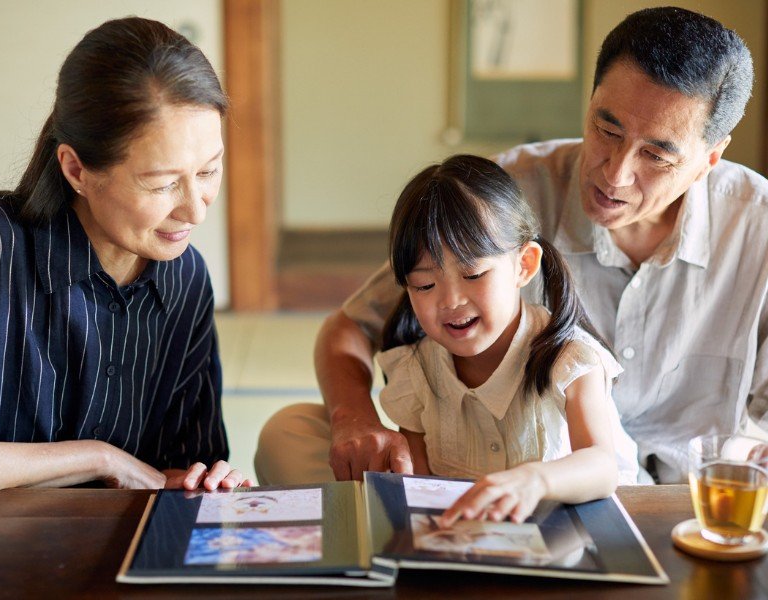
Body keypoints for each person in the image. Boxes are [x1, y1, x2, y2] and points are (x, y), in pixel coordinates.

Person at [255, 6, 768, 486]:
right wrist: (355, 420)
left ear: (710, 158)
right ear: (589, 103)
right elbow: (350, 327)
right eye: (606, 129)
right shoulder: (503, 194)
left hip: (697, 493)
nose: (615, 173)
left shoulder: (757, 225)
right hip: (502, 478)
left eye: (657, 155)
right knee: (291, 431)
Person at [0, 17, 252, 495]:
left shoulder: (185, 279)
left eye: (208, 172)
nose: (193, 211)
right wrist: (100, 458)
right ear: (76, 168)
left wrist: (207, 480)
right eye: (162, 184)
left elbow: (183, 465)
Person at [378, 155, 638, 523]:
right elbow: (418, 490)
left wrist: (536, 480)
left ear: (524, 265)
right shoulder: (416, 371)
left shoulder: (571, 358)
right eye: (425, 285)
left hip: (579, 530)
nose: (451, 301)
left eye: (474, 274)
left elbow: (602, 466)